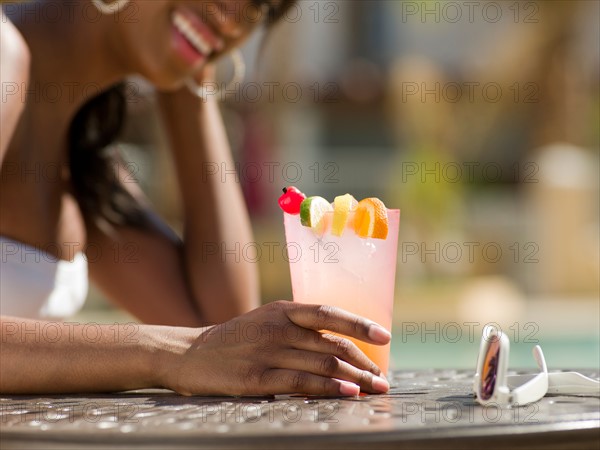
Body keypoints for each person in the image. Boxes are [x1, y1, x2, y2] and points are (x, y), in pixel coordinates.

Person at [0, 0, 391, 396]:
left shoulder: (79, 154)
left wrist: (189, 80)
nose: (236, 16)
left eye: (263, 6)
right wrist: (167, 355)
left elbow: (220, 328)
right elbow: (199, 346)